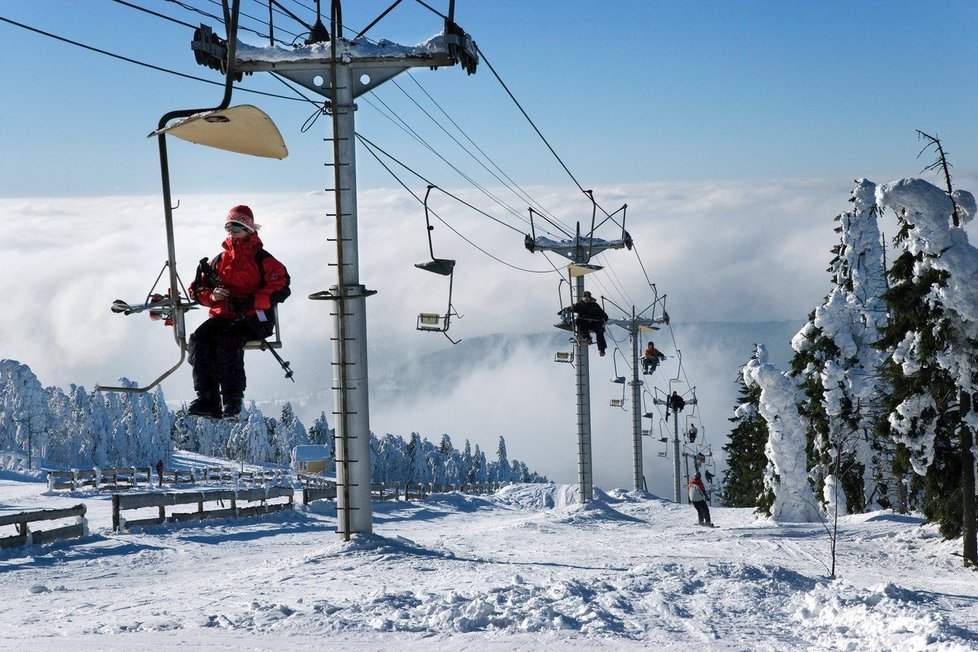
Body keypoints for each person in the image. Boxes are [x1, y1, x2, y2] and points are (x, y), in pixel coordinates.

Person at [187, 205, 290, 419]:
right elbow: (197, 289)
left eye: (237, 226)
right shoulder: (220, 260)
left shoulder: (262, 259)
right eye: (228, 226)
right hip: (224, 315)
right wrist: (213, 296)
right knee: (200, 339)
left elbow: (281, 285)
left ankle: (232, 399)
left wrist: (252, 301)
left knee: (228, 340)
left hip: (254, 318)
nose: (231, 231)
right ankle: (207, 398)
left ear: (249, 229)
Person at [569, 290, 609, 356]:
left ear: (590, 298)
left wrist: (605, 318)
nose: (586, 299)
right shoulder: (579, 305)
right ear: (583, 298)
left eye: (587, 297)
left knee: (600, 331)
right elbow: (570, 309)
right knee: (579, 323)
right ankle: (587, 338)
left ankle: (602, 349)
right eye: (585, 297)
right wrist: (567, 310)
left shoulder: (595, 305)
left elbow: (602, 313)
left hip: (594, 323)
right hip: (584, 323)